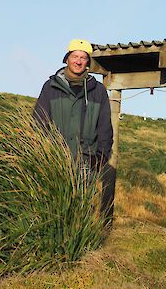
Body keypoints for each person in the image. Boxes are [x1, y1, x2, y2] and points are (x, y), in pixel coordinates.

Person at [34, 39, 113, 188]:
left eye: (83, 58)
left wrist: (98, 161)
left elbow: (105, 130)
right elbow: (38, 123)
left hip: (85, 168)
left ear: (88, 62)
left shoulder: (98, 91)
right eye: (75, 56)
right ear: (67, 59)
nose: (78, 61)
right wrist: (43, 156)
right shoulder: (51, 87)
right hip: (53, 164)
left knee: (81, 210)